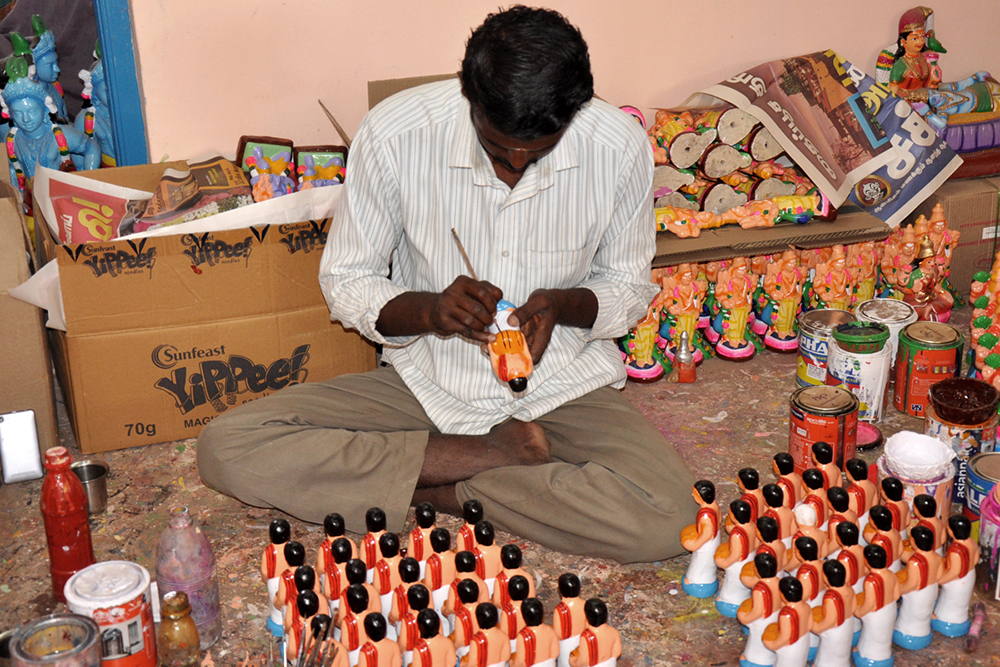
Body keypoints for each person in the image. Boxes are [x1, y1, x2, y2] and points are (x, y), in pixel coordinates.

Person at [196, 5, 695, 563]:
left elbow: (626, 286)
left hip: (564, 386)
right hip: (425, 383)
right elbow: (348, 280)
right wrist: (429, 311)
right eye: (498, 146)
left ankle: (440, 485)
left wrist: (560, 305)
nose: (515, 165)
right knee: (228, 447)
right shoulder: (395, 134)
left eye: (539, 152)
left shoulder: (618, 146)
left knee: (669, 519)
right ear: (470, 98)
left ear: (575, 113)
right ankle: (483, 457)